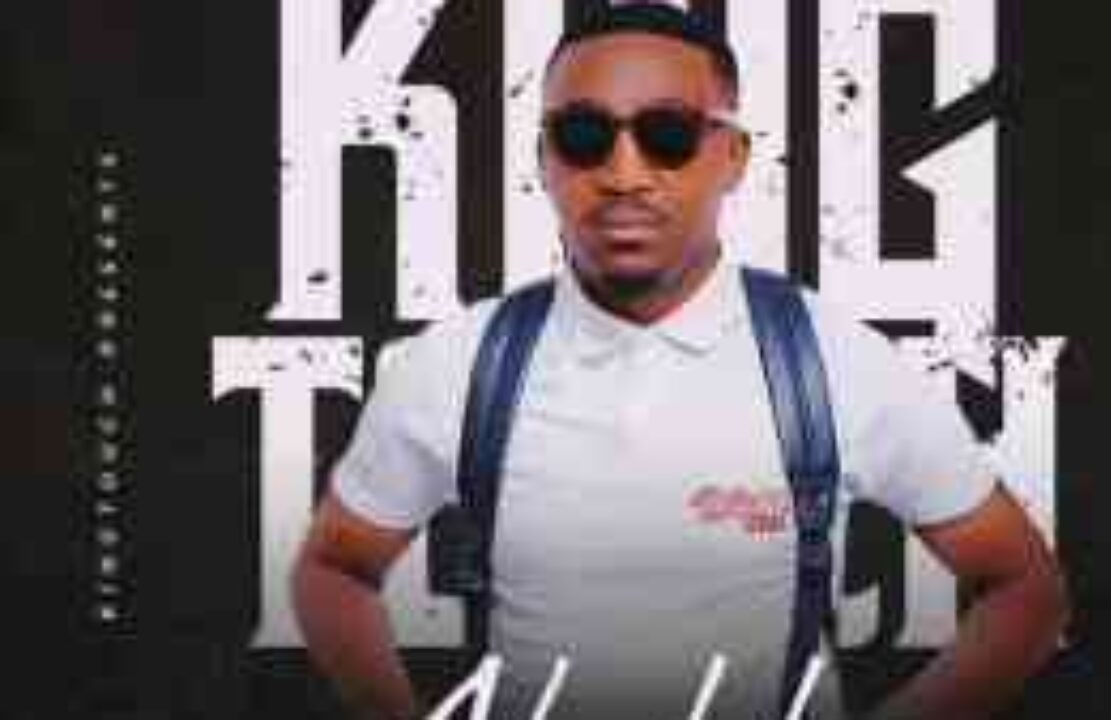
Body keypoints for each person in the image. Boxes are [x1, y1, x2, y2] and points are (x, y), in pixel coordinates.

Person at [291, 4, 1069, 719]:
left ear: (732, 155)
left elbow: (1023, 590)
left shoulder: (834, 361)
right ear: (545, 159)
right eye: (584, 136)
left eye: (668, 135)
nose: (624, 174)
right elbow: (333, 569)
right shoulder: (456, 365)